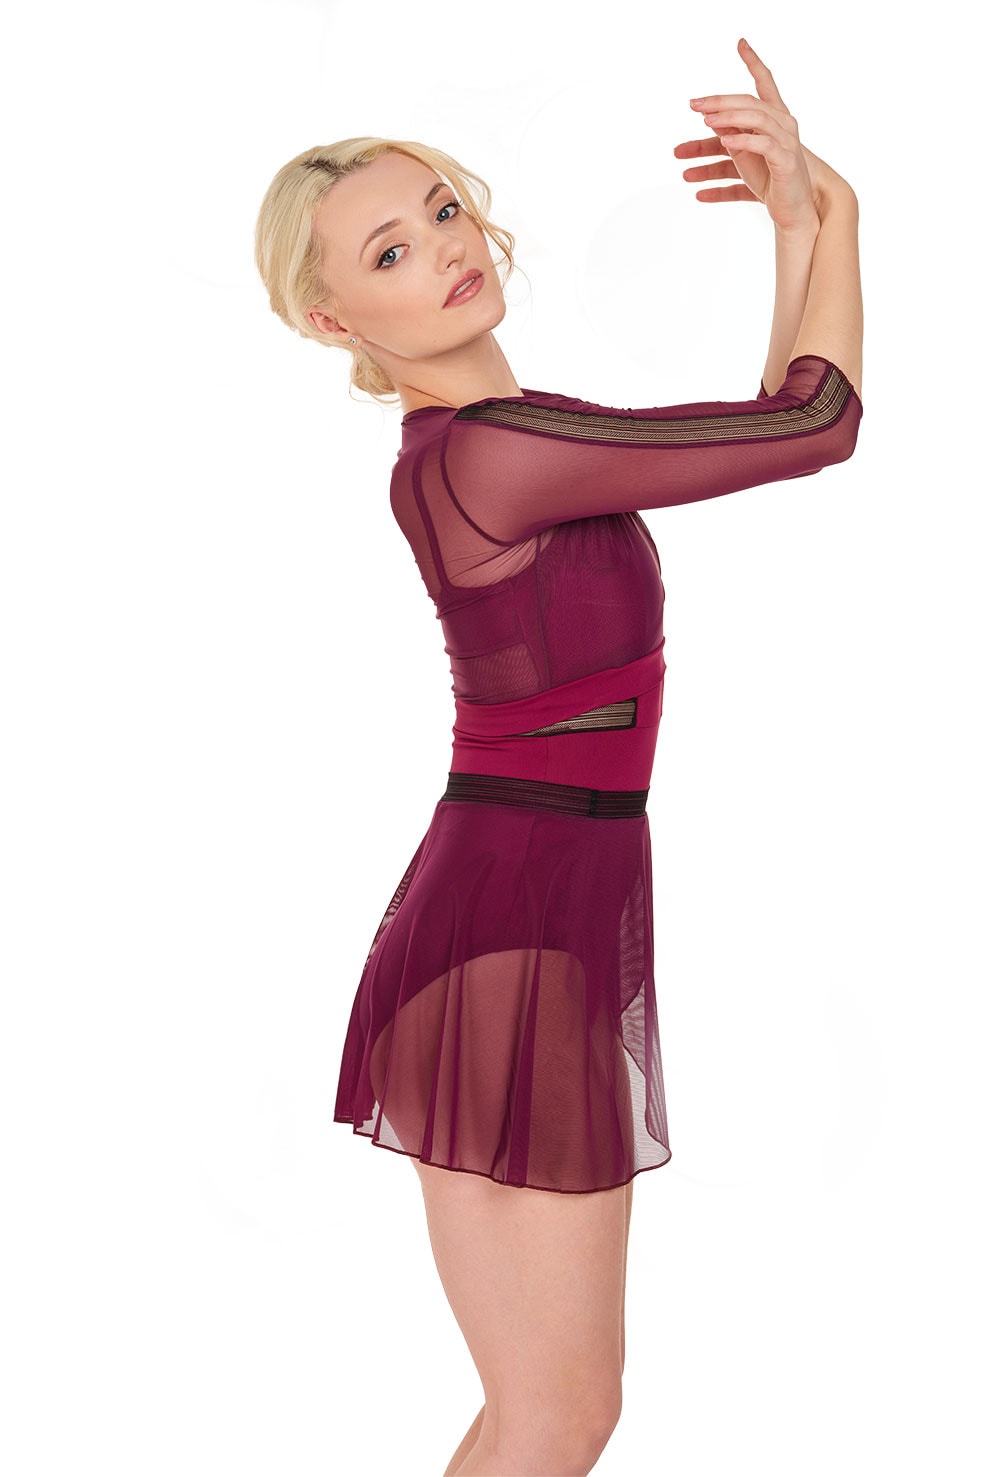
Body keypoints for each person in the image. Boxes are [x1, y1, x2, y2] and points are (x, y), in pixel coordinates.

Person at [254, 37, 863, 1477]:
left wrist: (796, 223)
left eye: (440, 211)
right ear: (337, 319)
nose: (442, 251)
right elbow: (816, 422)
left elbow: (779, 411)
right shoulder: (492, 455)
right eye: (390, 253)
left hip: (538, 898)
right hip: (517, 917)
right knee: (556, 1413)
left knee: (548, 1411)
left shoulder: (505, 442)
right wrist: (838, 212)